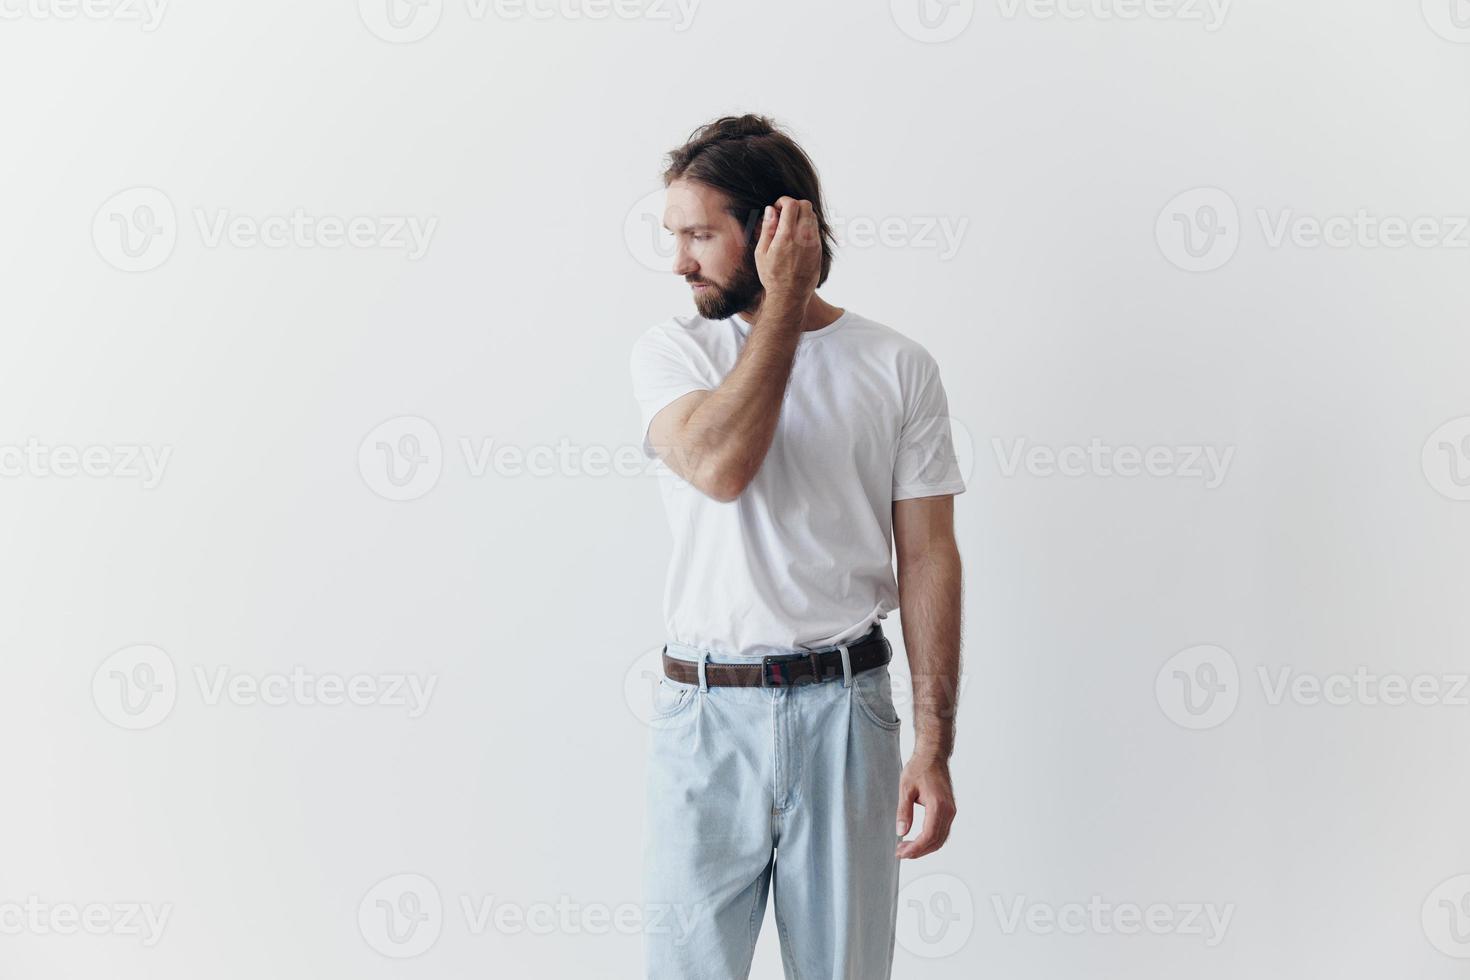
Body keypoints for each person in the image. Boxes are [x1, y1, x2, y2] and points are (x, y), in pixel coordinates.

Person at [629, 113, 965, 980]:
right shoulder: (674, 351)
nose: (679, 261)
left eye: (700, 233)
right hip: (703, 715)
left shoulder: (897, 364)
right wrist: (781, 306)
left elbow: (929, 556)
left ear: (779, 226)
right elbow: (720, 465)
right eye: (674, 235)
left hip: (845, 713)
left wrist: (933, 744)